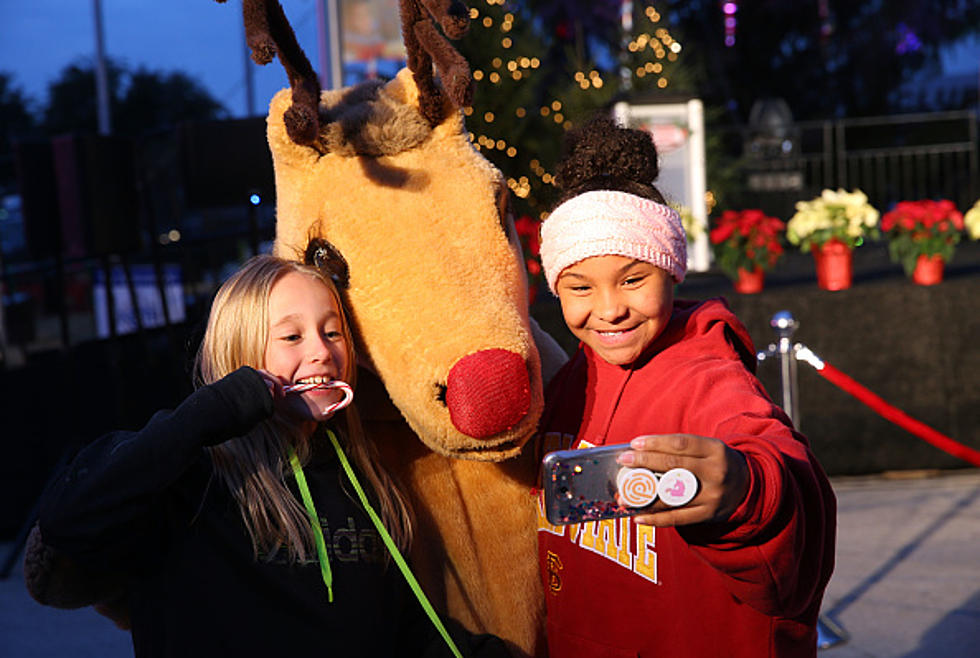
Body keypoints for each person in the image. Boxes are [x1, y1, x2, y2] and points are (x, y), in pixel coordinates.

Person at [36, 254, 503, 657]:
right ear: (240, 352)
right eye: (292, 338)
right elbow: (69, 520)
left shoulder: (364, 479)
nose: (321, 351)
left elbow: (401, 635)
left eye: (333, 332)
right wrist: (212, 412)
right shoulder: (188, 476)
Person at [534, 117, 836, 657]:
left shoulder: (709, 375)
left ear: (671, 271)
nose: (609, 310)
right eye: (580, 287)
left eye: (633, 279)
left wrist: (744, 492)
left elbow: (776, 461)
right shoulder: (568, 382)